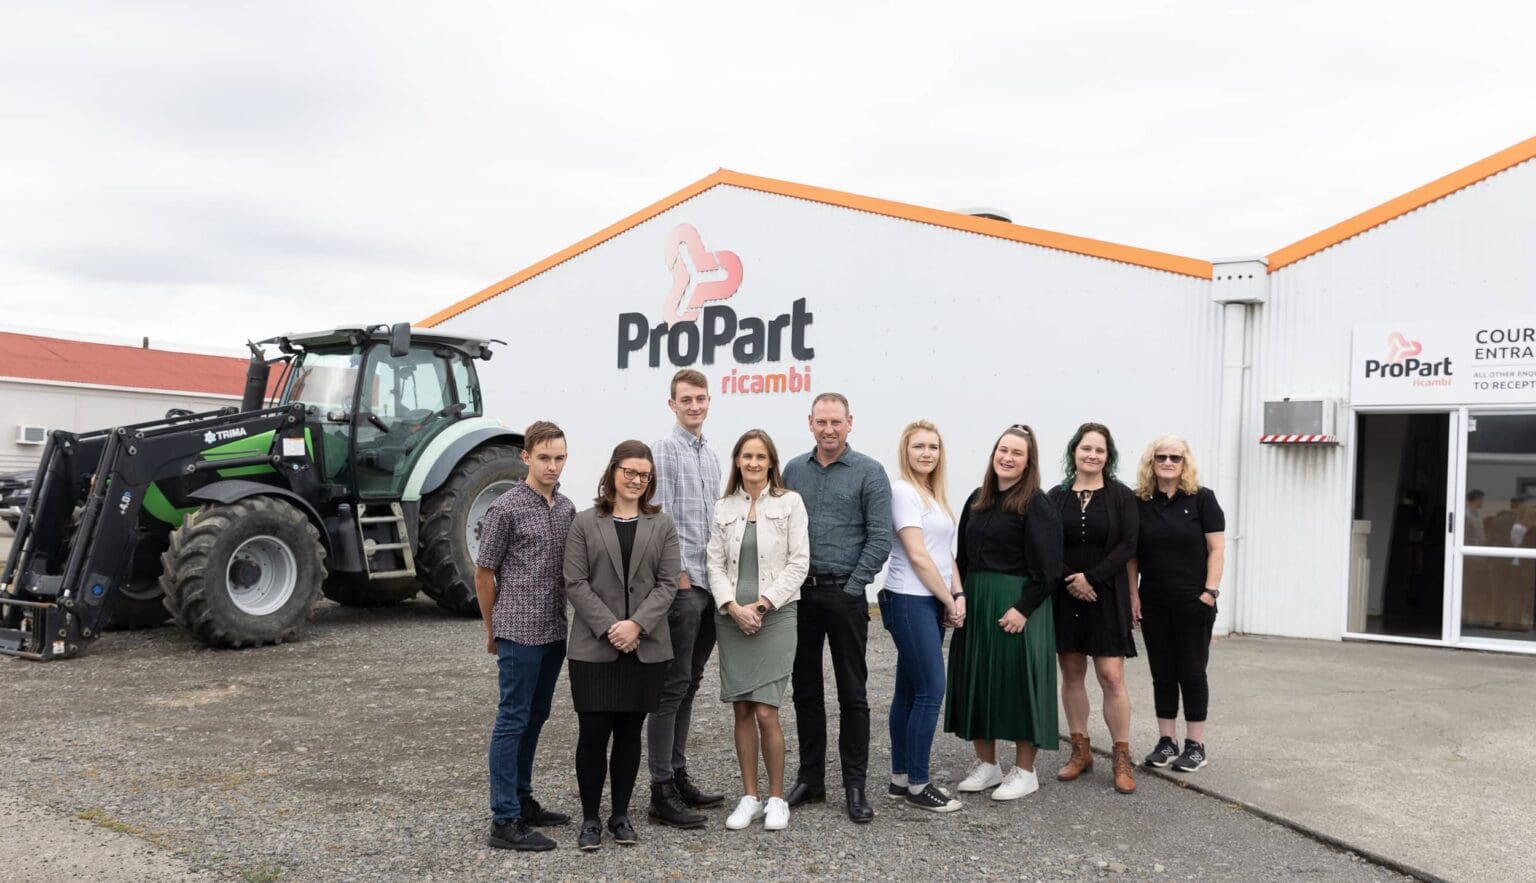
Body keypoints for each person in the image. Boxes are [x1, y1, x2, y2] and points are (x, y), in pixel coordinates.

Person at [563, 440, 681, 850]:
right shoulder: (584, 522)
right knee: (593, 734)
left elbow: (669, 584)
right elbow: (575, 582)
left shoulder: (661, 524)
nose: (636, 480)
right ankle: (591, 820)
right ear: (613, 471)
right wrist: (613, 627)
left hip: (645, 648)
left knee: (630, 734)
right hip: (594, 648)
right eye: (629, 471)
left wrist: (637, 626)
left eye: (644, 475)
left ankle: (620, 817)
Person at [782, 392, 893, 823]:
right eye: (821, 422)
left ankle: (855, 785)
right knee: (805, 690)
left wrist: (854, 586)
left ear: (850, 423)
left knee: (853, 692)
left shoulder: (869, 472)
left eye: (836, 422)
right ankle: (811, 779)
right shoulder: (793, 470)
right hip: (801, 595)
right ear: (810, 422)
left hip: (844, 596)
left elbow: (880, 536)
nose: (829, 430)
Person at [944, 424, 1063, 802]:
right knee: (979, 680)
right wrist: (957, 597)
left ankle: (1026, 771)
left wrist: (1023, 608)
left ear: (1028, 463)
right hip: (977, 601)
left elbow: (1050, 569)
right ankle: (988, 764)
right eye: (1003, 450)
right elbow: (961, 557)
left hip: (1019, 605)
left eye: (1017, 453)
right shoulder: (977, 499)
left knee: (1019, 684)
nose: (1007, 458)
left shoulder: (1037, 503)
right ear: (993, 454)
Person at [475, 420, 576, 852]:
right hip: (517, 629)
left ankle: (522, 799)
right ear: (526, 458)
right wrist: (491, 628)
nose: (552, 466)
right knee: (512, 719)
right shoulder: (507, 508)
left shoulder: (568, 508)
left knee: (536, 717)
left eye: (559, 458)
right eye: (544, 458)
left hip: (554, 630)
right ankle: (504, 819)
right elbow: (484, 572)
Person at [706, 430, 809, 831]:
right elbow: (713, 564)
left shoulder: (790, 503)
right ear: (737, 461)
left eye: (760, 456)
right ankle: (749, 796)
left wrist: (762, 605)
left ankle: (777, 798)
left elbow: (799, 563)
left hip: (776, 616)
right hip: (731, 619)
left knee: (767, 710)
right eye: (746, 456)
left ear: (771, 462)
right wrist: (732, 607)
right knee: (742, 709)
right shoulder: (723, 507)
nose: (752, 463)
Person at [646, 369, 726, 828]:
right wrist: (676, 580)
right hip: (683, 590)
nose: (694, 406)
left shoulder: (711, 456)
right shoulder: (664, 450)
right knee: (671, 688)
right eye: (686, 400)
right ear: (672, 404)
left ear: (709, 402)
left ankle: (677, 775)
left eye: (701, 399)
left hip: (709, 589)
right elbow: (660, 518)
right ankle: (660, 790)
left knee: (691, 683)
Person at [1046, 422, 1140, 795]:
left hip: (1106, 594)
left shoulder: (1121, 497)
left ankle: (1120, 755)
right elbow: (1048, 545)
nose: (1092, 455)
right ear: (1074, 452)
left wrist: (1092, 579)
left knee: (1111, 676)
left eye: (1100, 450)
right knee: (1071, 673)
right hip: (1066, 594)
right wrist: (1073, 579)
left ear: (1108, 456)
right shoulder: (1056, 496)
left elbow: (1127, 544)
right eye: (1086, 448)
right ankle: (1080, 750)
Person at [880, 420, 965, 812]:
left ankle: (900, 779)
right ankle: (919, 783)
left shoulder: (933, 494)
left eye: (933, 446)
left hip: (932, 599)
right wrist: (947, 600)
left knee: (911, 691)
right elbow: (917, 554)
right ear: (906, 451)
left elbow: (944, 551)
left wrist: (957, 593)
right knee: (931, 690)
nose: (926, 453)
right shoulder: (902, 492)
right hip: (910, 599)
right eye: (919, 446)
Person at [1134, 434, 1225, 774]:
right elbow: (1133, 556)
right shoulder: (1140, 502)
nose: (1168, 463)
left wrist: (1209, 593)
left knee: (1191, 671)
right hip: (1154, 601)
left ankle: (1195, 745)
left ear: (1185, 463)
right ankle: (1166, 741)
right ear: (1152, 462)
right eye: (1162, 457)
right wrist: (1134, 596)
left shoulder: (1202, 499)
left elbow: (1217, 549)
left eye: (1175, 458)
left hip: (1193, 601)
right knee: (1162, 673)